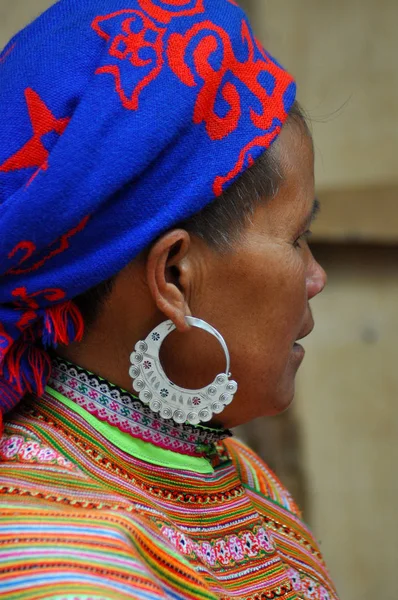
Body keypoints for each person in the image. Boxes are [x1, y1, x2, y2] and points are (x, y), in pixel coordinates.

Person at [0, 0, 337, 598]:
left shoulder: (240, 477)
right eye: (298, 238)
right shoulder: (69, 569)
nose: (316, 278)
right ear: (176, 278)